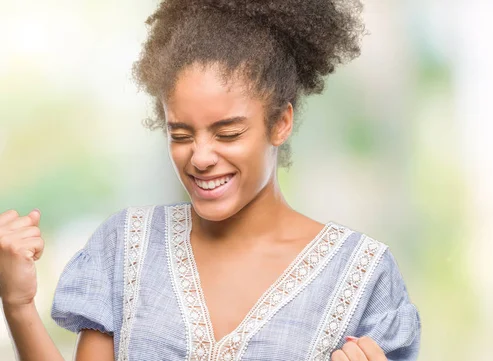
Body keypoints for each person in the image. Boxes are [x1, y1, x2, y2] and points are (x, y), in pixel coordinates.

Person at [0, 0, 421, 360]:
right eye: (180, 134)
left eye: (228, 133)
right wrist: (18, 305)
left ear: (281, 122)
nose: (200, 158)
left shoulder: (362, 276)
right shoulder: (126, 246)